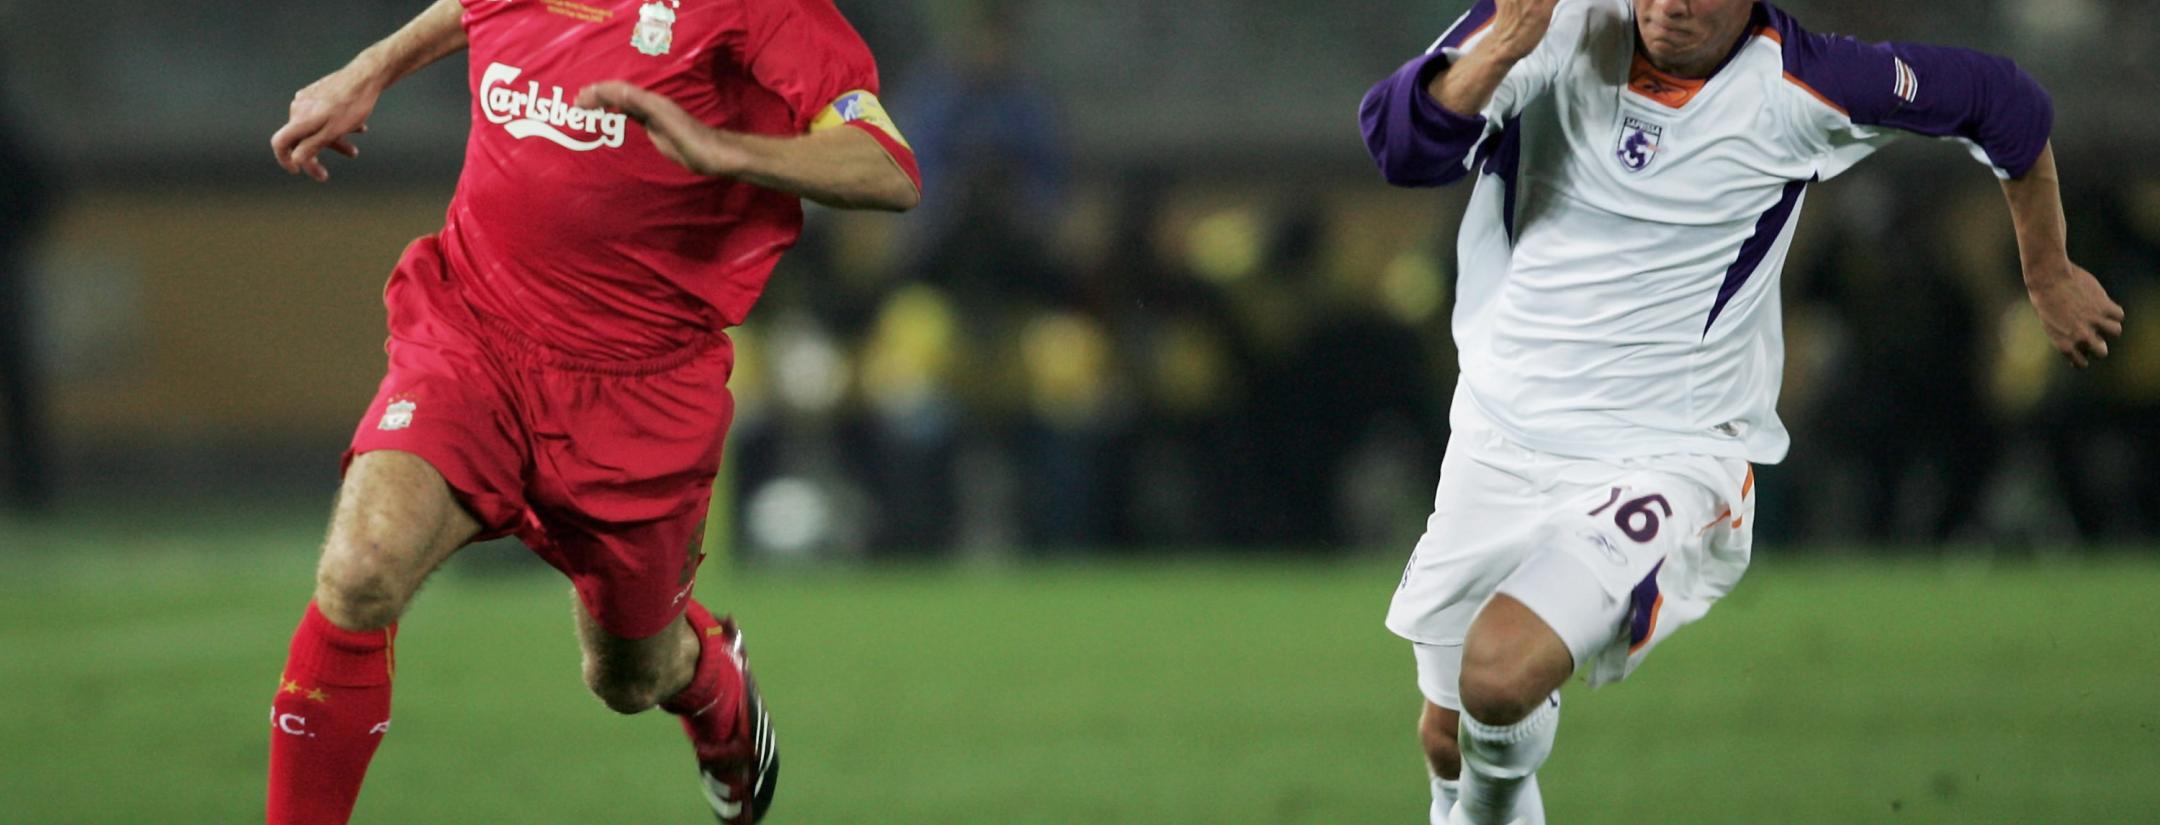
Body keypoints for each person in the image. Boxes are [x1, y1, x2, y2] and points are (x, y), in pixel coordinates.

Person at [1358, 1, 2123, 822]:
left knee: (1499, 678)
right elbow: (1401, 147)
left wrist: (2047, 273)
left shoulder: (1808, 85)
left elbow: (2003, 100)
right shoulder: (1556, 22)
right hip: (1496, 439)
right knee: (1449, 734)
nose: (1669, 4)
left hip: (1666, 456)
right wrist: (1508, 42)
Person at [263, 0, 919, 821]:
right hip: (475, 334)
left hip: (642, 390)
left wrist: (723, 150)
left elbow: (888, 165)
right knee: (360, 568)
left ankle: (711, 679)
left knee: (629, 676)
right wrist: (371, 68)